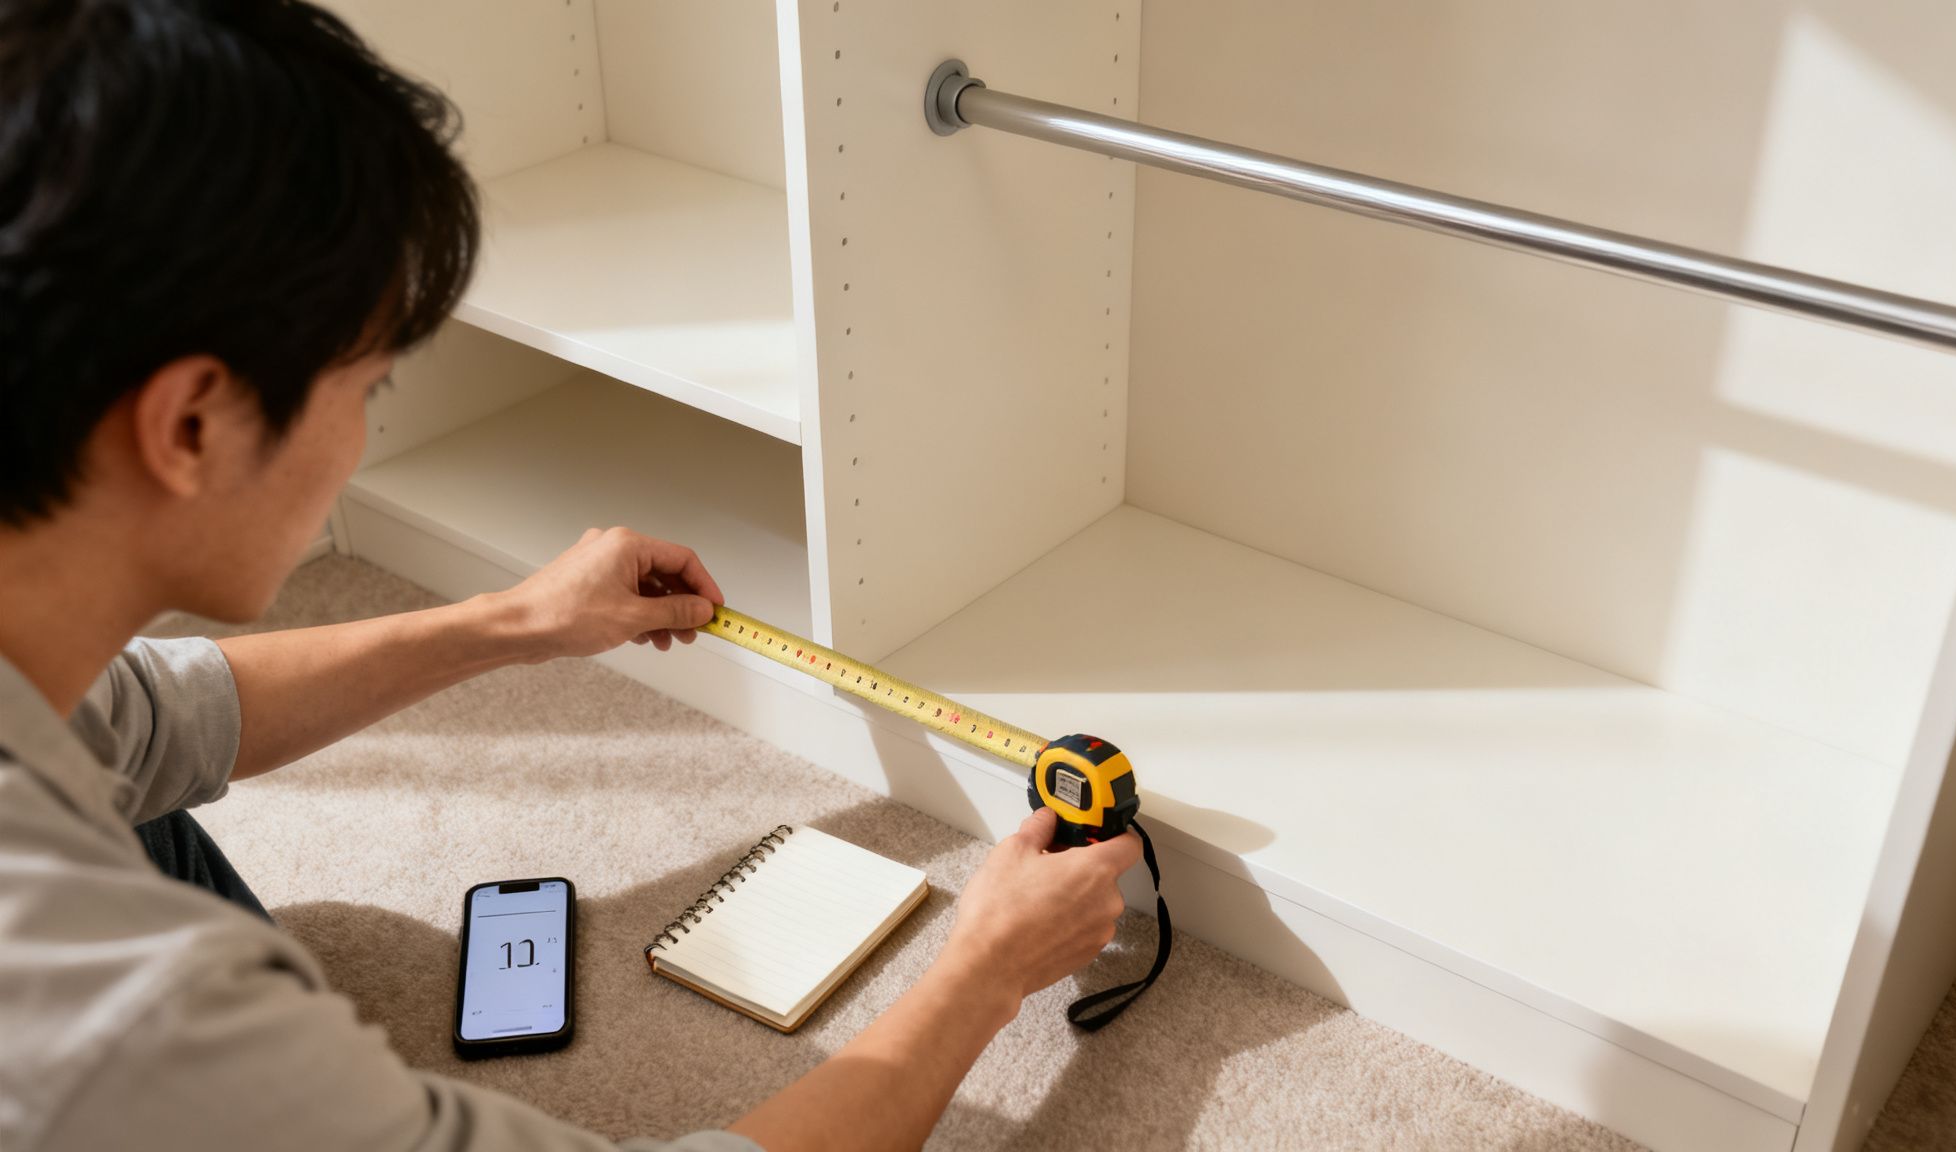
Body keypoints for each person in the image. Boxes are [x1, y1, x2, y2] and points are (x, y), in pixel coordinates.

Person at [0, 1, 1146, 1149]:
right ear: (192, 423)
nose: (361, 432)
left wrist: (512, 620)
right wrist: (981, 976)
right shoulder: (118, 1014)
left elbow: (143, 718)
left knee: (137, 800)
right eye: (367, 387)